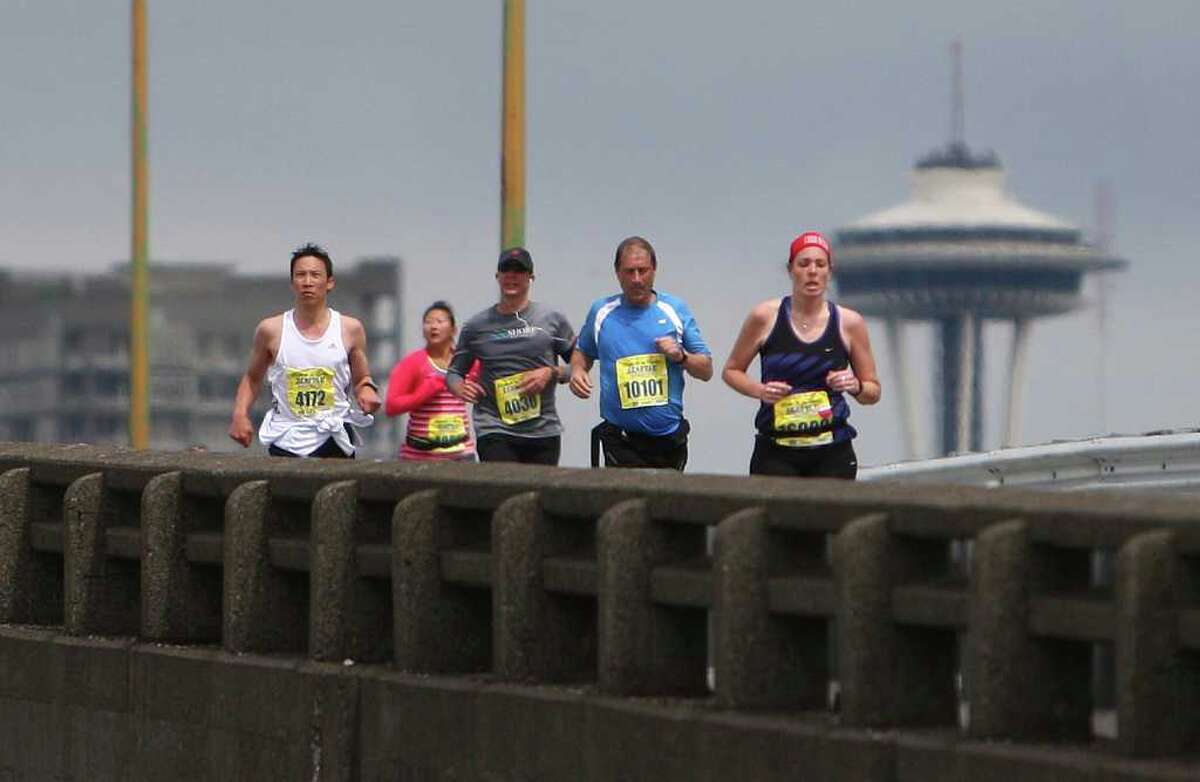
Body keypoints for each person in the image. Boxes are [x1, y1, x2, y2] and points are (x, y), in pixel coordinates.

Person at [722, 231, 880, 478]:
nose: (812, 271)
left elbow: (873, 392)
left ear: (830, 271)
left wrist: (855, 385)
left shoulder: (849, 323)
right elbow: (731, 371)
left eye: (820, 264)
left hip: (832, 450)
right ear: (790, 270)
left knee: (828, 516)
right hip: (777, 449)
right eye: (804, 264)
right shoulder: (765, 317)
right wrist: (760, 391)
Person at [570, 236, 712, 470]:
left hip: (668, 439)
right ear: (617, 273)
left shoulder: (674, 309)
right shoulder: (602, 312)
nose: (637, 279)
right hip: (621, 438)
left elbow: (706, 369)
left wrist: (681, 356)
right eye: (629, 272)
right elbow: (582, 352)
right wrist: (577, 370)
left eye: (643, 271)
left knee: (666, 505)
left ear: (654, 270)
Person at [228, 242, 381, 457]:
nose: (307, 282)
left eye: (315, 275)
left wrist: (367, 390)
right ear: (292, 283)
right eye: (301, 275)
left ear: (329, 282)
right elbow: (252, 378)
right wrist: (240, 414)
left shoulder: (350, 328)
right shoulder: (270, 330)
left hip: (333, 436)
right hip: (286, 436)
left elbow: (362, 377)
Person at [446, 247, 576, 465]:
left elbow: (579, 365)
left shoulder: (551, 319)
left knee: (540, 496)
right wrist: (458, 387)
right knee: (503, 492)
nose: (512, 276)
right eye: (506, 270)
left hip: (542, 430)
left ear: (531, 277)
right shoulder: (476, 326)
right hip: (494, 427)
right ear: (497, 277)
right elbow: (454, 372)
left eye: (519, 270)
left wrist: (552, 372)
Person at [384, 301, 480, 461]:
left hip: (461, 454)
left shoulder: (467, 361)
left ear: (453, 330)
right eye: (428, 322)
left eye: (440, 322)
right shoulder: (413, 363)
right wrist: (422, 394)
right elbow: (391, 406)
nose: (433, 326)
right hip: (419, 455)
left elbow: (486, 388)